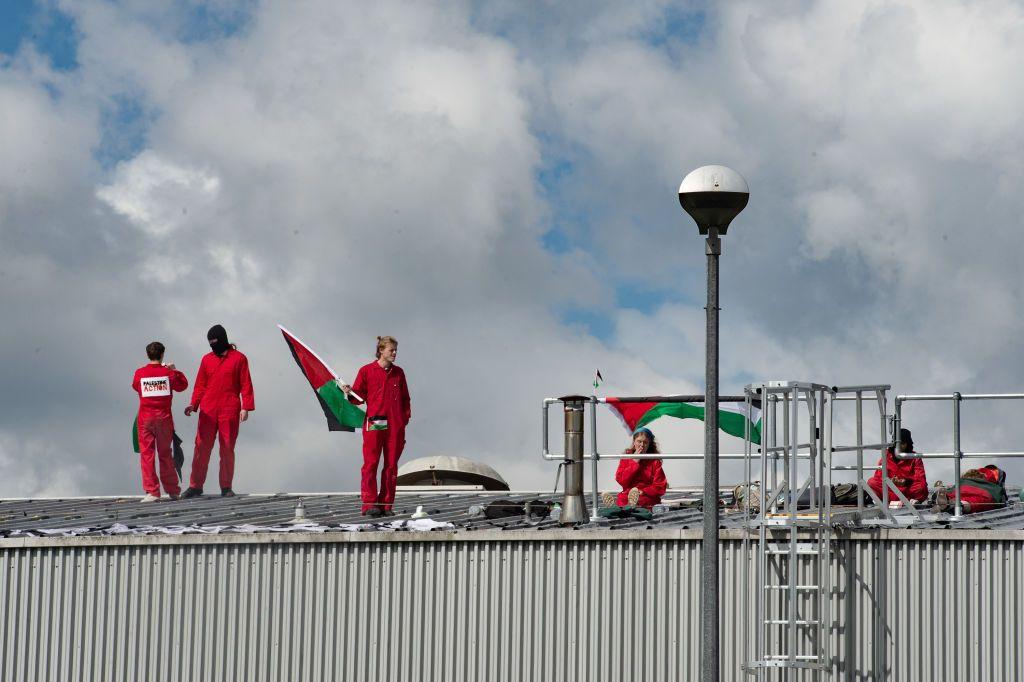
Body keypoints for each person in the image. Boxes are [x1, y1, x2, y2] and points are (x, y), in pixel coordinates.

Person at [340, 336, 411, 517]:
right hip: (375, 421)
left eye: (395, 350)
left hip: (395, 424)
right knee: (371, 463)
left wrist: (403, 420)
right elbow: (358, 398)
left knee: (391, 466)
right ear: (381, 351)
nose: (394, 353)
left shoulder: (399, 373)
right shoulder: (366, 371)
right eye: (391, 350)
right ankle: (369, 504)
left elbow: (405, 399)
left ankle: (386, 505)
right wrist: (349, 393)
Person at [181, 325, 255, 499]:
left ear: (223, 339)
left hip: (229, 408)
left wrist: (246, 407)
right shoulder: (206, 360)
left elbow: (246, 384)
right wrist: (194, 404)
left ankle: (226, 487)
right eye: (210, 343)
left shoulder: (239, 359)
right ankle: (195, 486)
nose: (213, 345)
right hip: (208, 409)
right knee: (201, 447)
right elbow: (200, 385)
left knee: (227, 448)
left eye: (215, 341)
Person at [131, 342, 189, 502]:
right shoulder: (168, 373)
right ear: (162, 354)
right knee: (165, 455)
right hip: (164, 419)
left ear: (147, 355)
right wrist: (173, 370)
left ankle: (152, 491)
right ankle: (173, 490)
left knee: (147, 455)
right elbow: (183, 385)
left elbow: (136, 386)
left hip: (146, 419)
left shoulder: (140, 373)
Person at [604, 427, 668, 509]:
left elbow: (660, 486)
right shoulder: (626, 458)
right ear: (634, 442)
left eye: (645, 442)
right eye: (639, 441)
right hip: (628, 493)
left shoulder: (654, 461)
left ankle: (619, 508)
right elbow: (621, 480)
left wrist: (643, 491)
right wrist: (634, 462)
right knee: (622, 498)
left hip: (646, 495)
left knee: (642, 501)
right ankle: (615, 506)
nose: (642, 445)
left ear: (649, 445)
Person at [867, 428, 928, 503]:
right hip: (890, 488)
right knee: (871, 482)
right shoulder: (886, 455)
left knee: (921, 487)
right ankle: (904, 500)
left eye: (902, 443)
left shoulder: (914, 457)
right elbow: (878, 476)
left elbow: (920, 479)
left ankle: (892, 500)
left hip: (907, 489)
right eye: (897, 443)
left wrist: (905, 482)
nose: (899, 446)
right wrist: (890, 481)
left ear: (907, 443)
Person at [933, 465, 1007, 514]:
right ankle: (957, 505)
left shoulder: (969, 476)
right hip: (982, 492)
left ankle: (945, 498)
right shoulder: (993, 485)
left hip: (962, 488)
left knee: (954, 494)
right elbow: (1000, 500)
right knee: (974, 501)